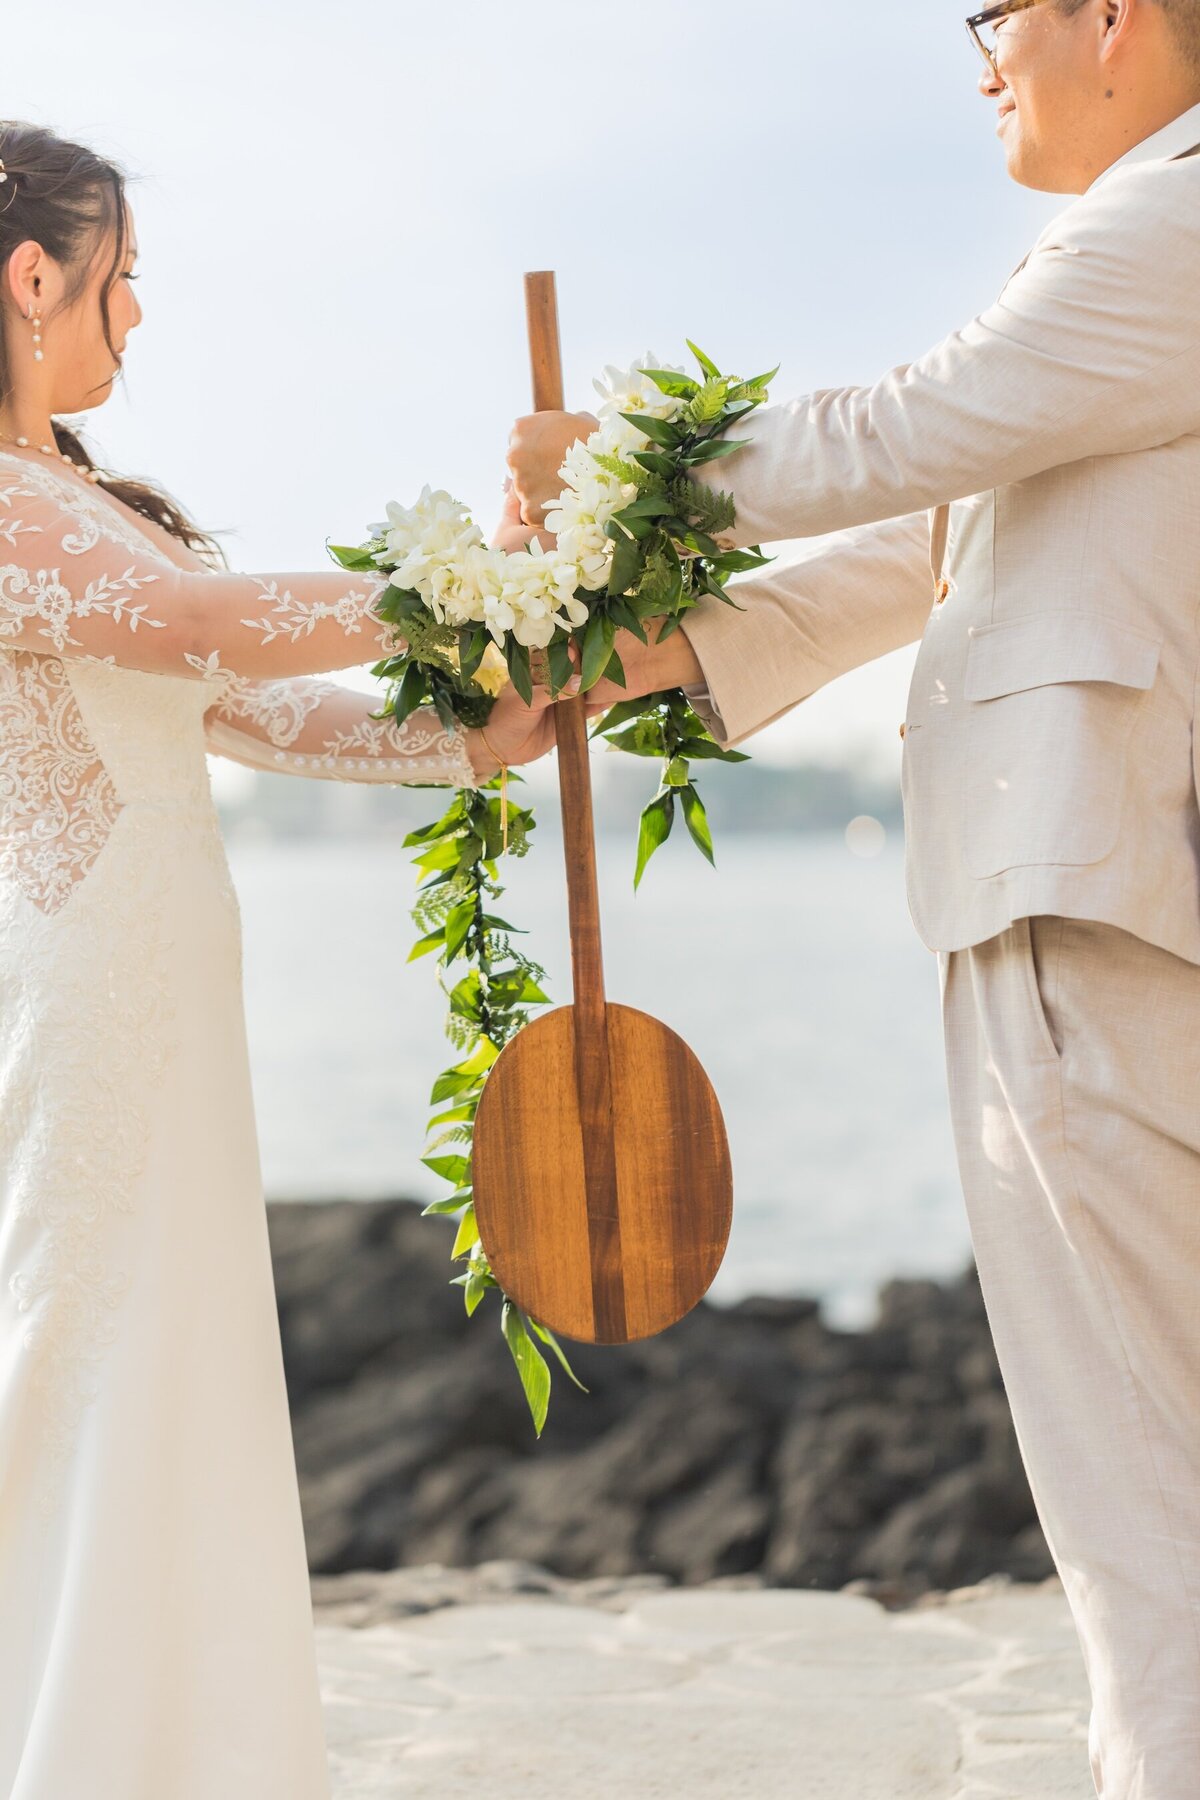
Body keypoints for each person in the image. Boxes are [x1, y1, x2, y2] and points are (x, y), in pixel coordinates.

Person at [507, 2, 1200, 1793]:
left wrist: (619, 475)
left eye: (997, 17)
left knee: (1147, 1502)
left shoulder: (1167, 217)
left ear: (1114, 20)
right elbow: (937, 534)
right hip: (1117, 892)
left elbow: (912, 432)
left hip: (1086, 904)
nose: (979, 63)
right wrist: (662, 648)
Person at [0, 120, 555, 1800]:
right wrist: (468, 586)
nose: (135, 321)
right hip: (87, 986)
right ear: (31, 278)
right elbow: (197, 630)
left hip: (165, 980)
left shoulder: (86, 504)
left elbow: (254, 709)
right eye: (121, 283)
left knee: (173, 1349)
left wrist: (472, 738)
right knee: (75, 1335)